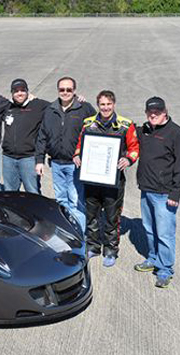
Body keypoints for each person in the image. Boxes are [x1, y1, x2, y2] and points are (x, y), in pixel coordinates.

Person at [73, 90, 139, 267]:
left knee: (112, 215)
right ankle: (93, 247)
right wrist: (77, 155)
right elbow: (80, 144)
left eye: (109, 104)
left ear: (114, 104)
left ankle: (110, 250)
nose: (106, 108)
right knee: (91, 214)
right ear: (98, 105)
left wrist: (128, 159)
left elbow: (134, 147)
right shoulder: (88, 123)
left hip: (114, 179)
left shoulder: (125, 124)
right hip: (92, 177)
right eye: (102, 104)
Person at [133, 97, 180, 288]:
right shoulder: (145, 131)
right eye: (150, 112)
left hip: (164, 194)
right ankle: (152, 259)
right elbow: (123, 127)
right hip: (146, 190)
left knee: (165, 234)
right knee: (149, 230)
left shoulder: (177, 134)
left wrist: (176, 193)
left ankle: (165, 269)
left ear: (165, 111)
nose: (153, 115)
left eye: (157, 112)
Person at [36, 77, 96, 230]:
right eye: (62, 89)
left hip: (75, 165)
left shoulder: (84, 108)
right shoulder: (50, 110)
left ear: (74, 91)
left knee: (76, 201)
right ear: (58, 91)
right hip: (56, 163)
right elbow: (42, 136)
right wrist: (39, 160)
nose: (65, 92)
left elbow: (97, 130)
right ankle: (67, 233)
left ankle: (80, 236)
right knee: (61, 200)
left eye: (69, 89)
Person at [1, 78, 50, 194]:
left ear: (28, 92)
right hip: (8, 158)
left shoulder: (38, 105)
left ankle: (35, 212)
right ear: (12, 93)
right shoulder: (7, 107)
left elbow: (60, 106)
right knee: (10, 193)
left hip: (28, 158)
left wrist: (76, 99)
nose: (19, 93)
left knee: (32, 192)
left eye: (23, 90)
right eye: (16, 91)